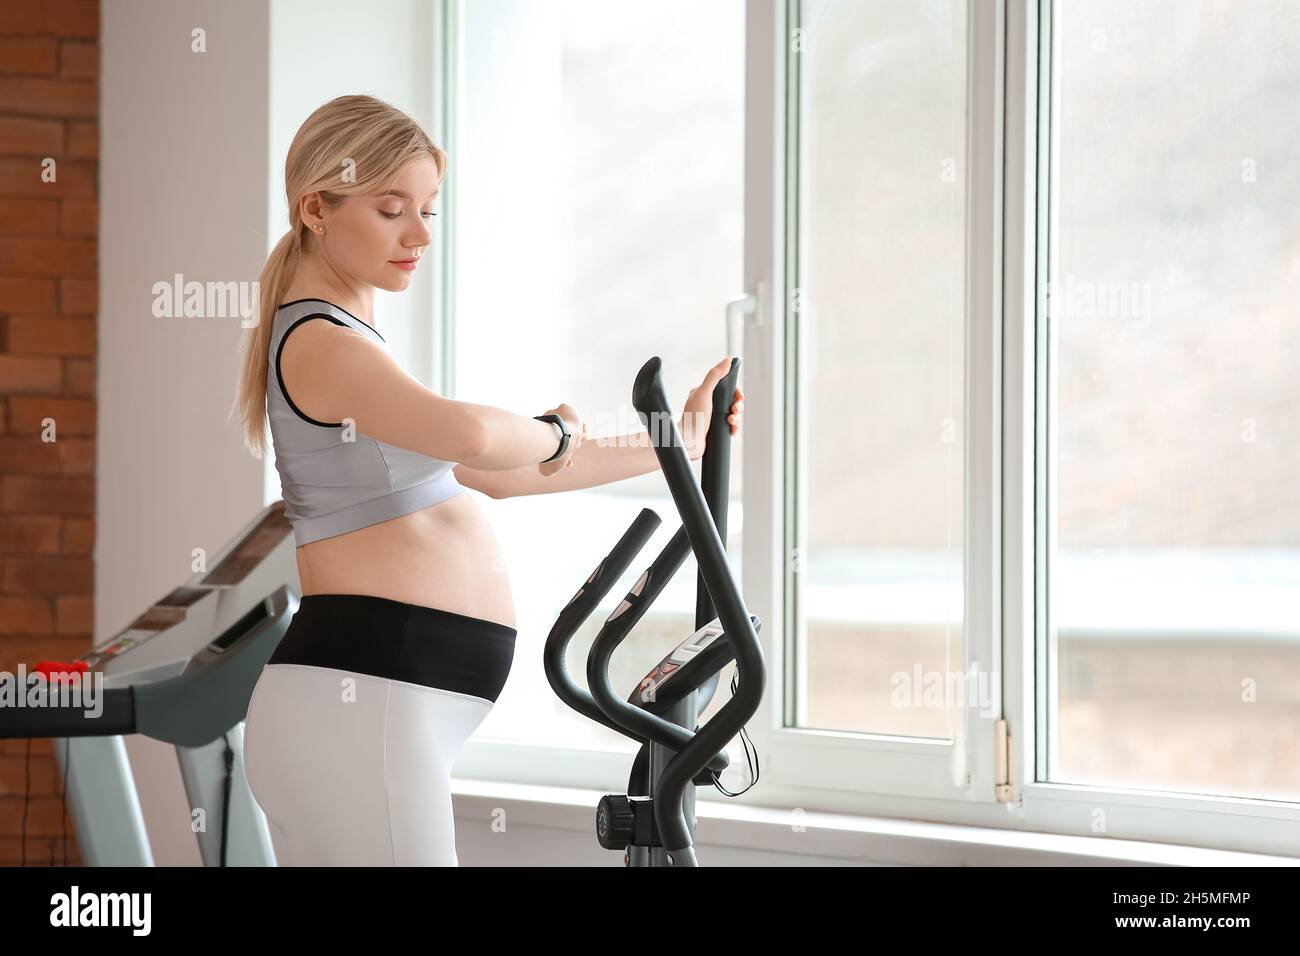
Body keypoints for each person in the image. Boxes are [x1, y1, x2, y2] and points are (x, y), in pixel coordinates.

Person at [232, 94, 744, 866]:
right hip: (360, 699)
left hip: (374, 704)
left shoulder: (349, 345)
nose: (419, 234)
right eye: (392, 209)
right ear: (316, 207)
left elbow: (502, 475)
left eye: (430, 211)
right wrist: (558, 429)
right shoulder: (320, 344)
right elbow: (474, 434)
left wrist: (678, 442)